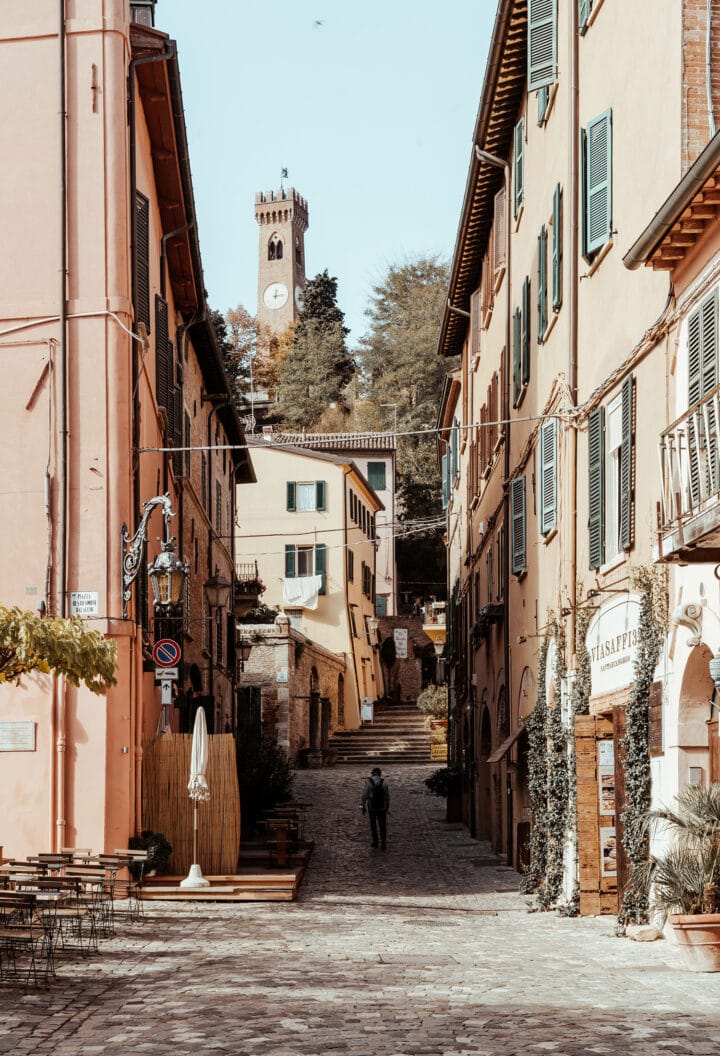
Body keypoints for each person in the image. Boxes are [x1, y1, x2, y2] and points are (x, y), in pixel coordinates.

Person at [361, 766, 390, 849]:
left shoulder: (368, 782)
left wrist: (362, 807)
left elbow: (364, 796)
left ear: (373, 773)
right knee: (382, 825)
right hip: (382, 807)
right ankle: (383, 842)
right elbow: (387, 797)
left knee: (373, 825)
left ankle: (375, 842)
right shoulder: (384, 782)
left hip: (371, 807)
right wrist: (387, 807)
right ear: (380, 774)